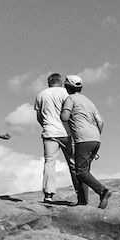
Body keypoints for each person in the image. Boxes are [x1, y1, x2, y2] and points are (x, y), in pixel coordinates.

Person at [60, 75, 110, 208]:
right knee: (84, 170)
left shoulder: (70, 99)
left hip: (82, 139)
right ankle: (82, 200)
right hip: (95, 138)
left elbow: (64, 117)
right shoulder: (89, 101)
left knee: (80, 171)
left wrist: (63, 111)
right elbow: (101, 122)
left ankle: (102, 191)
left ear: (67, 87)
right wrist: (95, 136)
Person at [34, 72, 75, 203]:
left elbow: (39, 116)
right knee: (73, 162)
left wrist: (45, 125)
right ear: (61, 82)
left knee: (49, 163)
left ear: (49, 82)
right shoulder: (66, 93)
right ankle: (80, 191)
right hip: (66, 132)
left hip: (49, 132)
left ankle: (48, 193)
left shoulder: (41, 94)